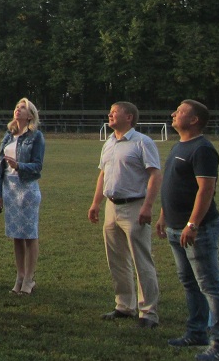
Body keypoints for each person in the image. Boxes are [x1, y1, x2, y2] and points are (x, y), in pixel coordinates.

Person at [156, 101, 219, 361]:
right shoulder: (179, 145)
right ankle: (196, 332)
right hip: (176, 228)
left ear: (195, 120)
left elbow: (206, 189)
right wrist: (163, 216)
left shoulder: (202, 149)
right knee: (190, 283)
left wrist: (193, 224)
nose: (173, 113)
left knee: (209, 285)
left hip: (197, 230)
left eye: (180, 111)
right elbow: (174, 184)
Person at [87, 101, 161, 328]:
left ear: (129, 117)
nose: (109, 114)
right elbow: (103, 175)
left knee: (141, 260)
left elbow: (155, 175)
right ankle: (124, 306)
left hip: (135, 207)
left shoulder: (142, 142)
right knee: (117, 260)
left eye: (114, 112)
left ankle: (148, 312)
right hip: (112, 207)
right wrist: (96, 203)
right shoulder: (108, 143)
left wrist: (148, 206)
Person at [0, 98, 46, 295]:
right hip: (9, 189)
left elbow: (38, 167)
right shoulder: (8, 136)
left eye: (23, 108)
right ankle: (20, 275)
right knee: (16, 235)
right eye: (17, 106)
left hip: (27, 189)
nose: (18, 110)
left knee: (29, 235)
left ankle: (29, 279)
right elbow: (0, 167)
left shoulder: (36, 136)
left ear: (30, 115)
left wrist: (19, 166)